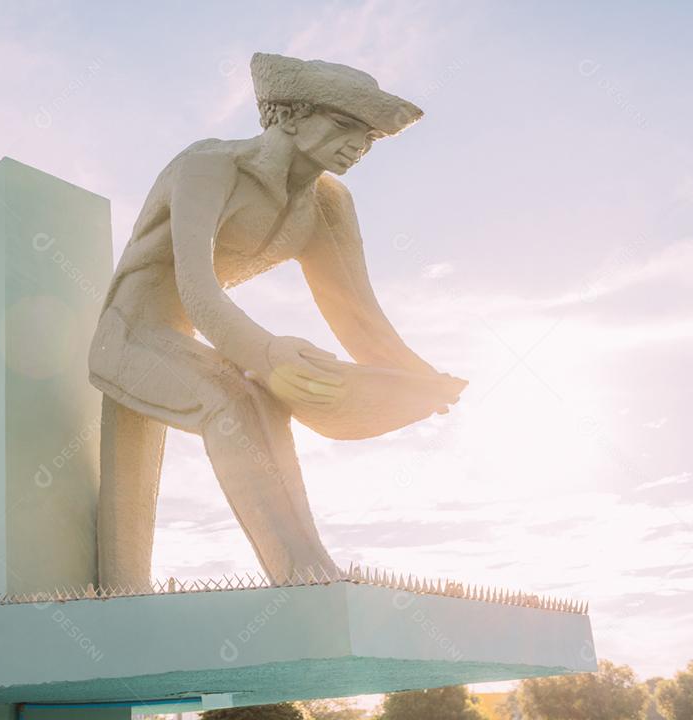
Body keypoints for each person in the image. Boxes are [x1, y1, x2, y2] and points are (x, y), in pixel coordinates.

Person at [88, 52, 467, 589]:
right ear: (289, 114)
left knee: (254, 395)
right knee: (236, 398)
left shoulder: (328, 205)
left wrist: (420, 378)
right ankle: (305, 577)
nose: (358, 144)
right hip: (127, 335)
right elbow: (197, 288)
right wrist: (266, 354)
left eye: (369, 136)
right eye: (343, 125)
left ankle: (304, 575)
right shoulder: (209, 167)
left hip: (184, 341)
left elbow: (358, 316)